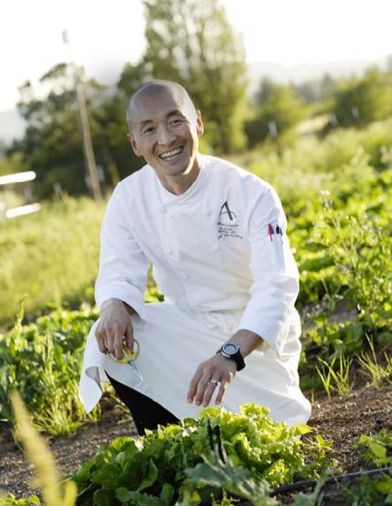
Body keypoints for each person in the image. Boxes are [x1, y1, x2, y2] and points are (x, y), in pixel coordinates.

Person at [78, 79, 311, 435]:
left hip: (252, 345)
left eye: (175, 121)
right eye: (150, 129)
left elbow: (276, 288)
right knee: (107, 334)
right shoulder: (128, 198)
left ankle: (222, 416)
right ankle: (163, 439)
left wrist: (230, 354)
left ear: (197, 123)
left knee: (280, 424)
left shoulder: (252, 193)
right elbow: (118, 274)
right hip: (189, 331)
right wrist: (113, 307)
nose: (167, 139)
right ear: (135, 144)